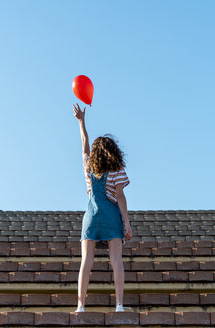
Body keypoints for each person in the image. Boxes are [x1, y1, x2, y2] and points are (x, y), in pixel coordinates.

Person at [72, 103, 133, 313]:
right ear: (112, 152)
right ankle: (119, 304)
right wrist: (127, 223)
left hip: (91, 216)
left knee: (86, 262)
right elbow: (121, 196)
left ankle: (81, 306)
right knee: (116, 260)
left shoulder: (88, 166)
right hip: (110, 215)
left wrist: (81, 121)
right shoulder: (116, 169)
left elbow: (84, 143)